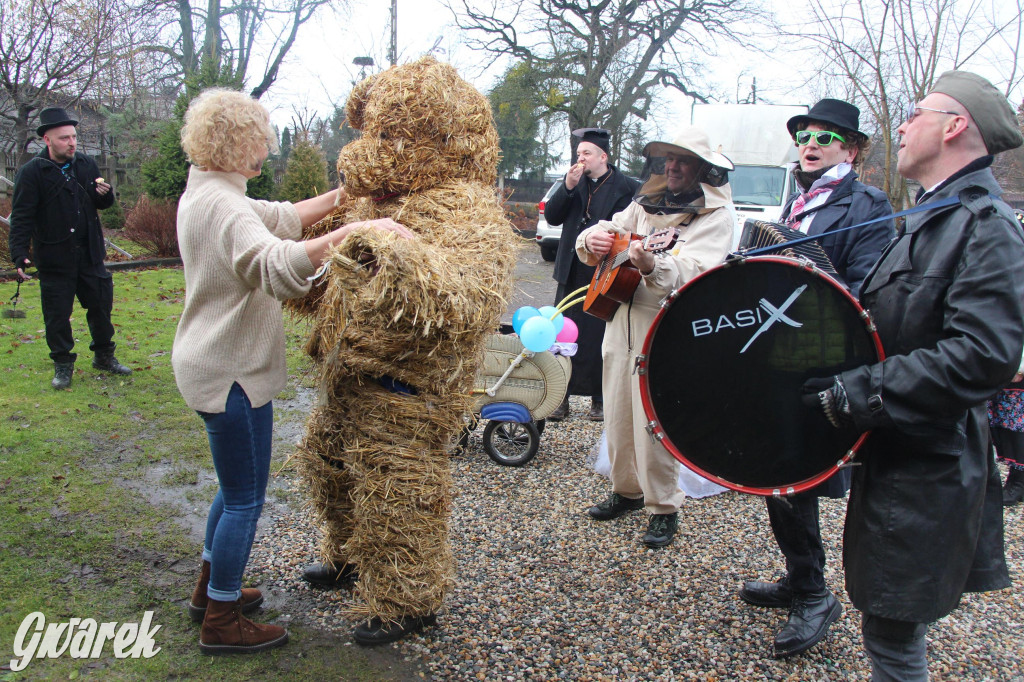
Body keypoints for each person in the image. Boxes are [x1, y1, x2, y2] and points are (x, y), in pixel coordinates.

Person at [173, 87, 413, 655]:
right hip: (228, 370)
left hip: (211, 361)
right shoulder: (225, 206)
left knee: (235, 490)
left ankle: (212, 592)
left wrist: (345, 196)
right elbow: (272, 260)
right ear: (238, 143)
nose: (265, 147)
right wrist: (359, 232)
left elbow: (279, 219)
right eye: (259, 138)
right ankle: (223, 621)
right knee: (244, 502)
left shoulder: (206, 191)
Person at [801, 71, 1024, 679]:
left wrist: (858, 391)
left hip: (932, 464)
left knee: (894, 636)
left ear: (954, 128)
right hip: (902, 450)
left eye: (916, 113)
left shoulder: (985, 226)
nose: (900, 125)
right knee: (887, 625)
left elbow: (984, 354)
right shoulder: (932, 216)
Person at [738, 98, 894, 659]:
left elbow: (869, 291)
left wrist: (803, 262)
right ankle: (801, 577)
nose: (810, 142)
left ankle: (813, 594)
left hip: (824, 362)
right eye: (805, 133)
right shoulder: (797, 198)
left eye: (826, 137)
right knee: (777, 472)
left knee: (792, 471)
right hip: (779, 355)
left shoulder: (866, 204)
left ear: (851, 150)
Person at [577, 127, 734, 548]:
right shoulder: (648, 200)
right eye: (668, 158)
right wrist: (590, 237)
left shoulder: (716, 214)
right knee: (617, 411)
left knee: (654, 421)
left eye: (682, 159)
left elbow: (700, 269)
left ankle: (664, 506)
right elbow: (612, 229)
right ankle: (626, 491)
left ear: (703, 169)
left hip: (666, 328)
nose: (672, 166)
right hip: (619, 319)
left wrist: (652, 266)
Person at [8, 107, 131, 389]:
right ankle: (63, 365)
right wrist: (19, 253)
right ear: (47, 140)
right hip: (54, 257)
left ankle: (104, 356)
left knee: (100, 307)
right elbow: (22, 216)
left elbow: (98, 204)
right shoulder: (32, 173)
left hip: (89, 254)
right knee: (57, 315)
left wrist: (106, 195)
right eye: (64, 138)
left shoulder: (86, 165)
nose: (72, 143)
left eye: (74, 137)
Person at [544, 128, 639, 421]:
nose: (580, 159)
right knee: (565, 334)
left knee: (601, 336)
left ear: (603, 156)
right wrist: (568, 187)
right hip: (572, 270)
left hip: (606, 272)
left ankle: (600, 399)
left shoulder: (627, 186)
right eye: (578, 154)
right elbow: (552, 217)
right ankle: (561, 397)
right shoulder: (573, 182)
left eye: (586, 153)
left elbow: (631, 230)